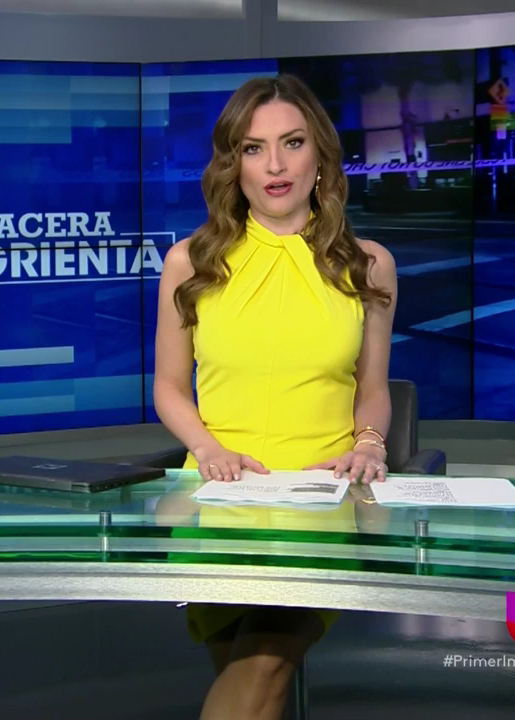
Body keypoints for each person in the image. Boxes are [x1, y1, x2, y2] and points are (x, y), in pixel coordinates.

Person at [152, 74, 398, 720]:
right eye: (254, 149)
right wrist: (206, 448)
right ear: (233, 164)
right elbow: (169, 389)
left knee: (262, 666)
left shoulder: (369, 264)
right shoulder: (190, 263)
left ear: (320, 154)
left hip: (321, 503)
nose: (276, 165)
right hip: (220, 500)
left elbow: (373, 392)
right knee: (254, 687)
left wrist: (370, 443)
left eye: (292, 142)